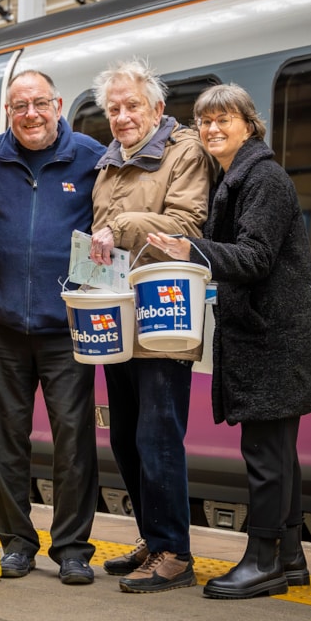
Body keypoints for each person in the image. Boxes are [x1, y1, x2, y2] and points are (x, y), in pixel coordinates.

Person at [147, 84, 311, 599]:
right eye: (204, 122)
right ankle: (289, 558)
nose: (212, 129)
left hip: (274, 338)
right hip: (269, 335)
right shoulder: (240, 177)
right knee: (279, 454)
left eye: (224, 119)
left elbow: (255, 257)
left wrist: (192, 250)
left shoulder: (262, 179)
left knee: (266, 454)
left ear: (249, 124)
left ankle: (262, 561)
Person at [88, 57, 213, 593]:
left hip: (165, 311)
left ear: (157, 108)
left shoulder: (184, 153)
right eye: (113, 109)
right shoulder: (109, 163)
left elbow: (187, 226)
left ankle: (174, 553)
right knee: (125, 438)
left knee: (158, 436)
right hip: (119, 316)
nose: (122, 116)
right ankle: (152, 538)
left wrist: (120, 226)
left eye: (132, 106)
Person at [0, 70, 105, 585]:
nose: (30, 114)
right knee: (3, 440)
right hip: (1, 325)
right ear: (8, 112)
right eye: (19, 106)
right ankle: (15, 542)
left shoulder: (91, 158)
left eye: (39, 103)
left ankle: (72, 548)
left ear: (58, 104)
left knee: (74, 440)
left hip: (67, 326)